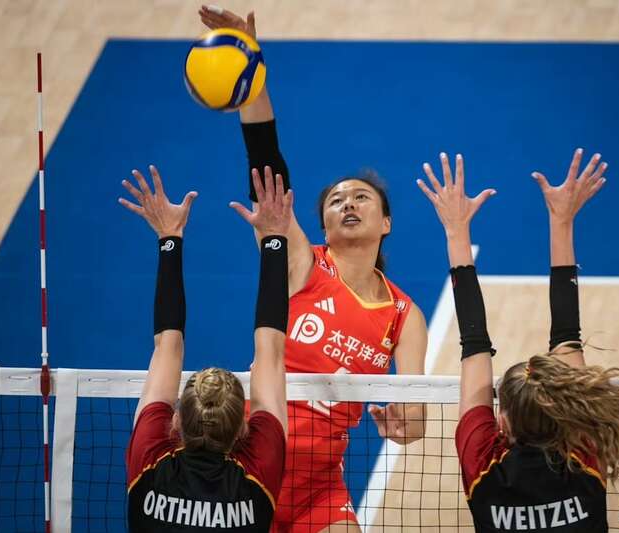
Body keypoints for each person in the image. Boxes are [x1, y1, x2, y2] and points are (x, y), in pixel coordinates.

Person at [198, 6, 428, 533]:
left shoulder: (403, 315)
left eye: (361, 197)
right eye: (336, 200)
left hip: (319, 488)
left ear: (386, 222)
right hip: (249, 467)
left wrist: (405, 423)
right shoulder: (303, 264)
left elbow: (416, 412)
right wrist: (251, 74)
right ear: (322, 224)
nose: (347, 203)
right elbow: (266, 166)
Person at [418, 149, 619, 532]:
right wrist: (562, 220)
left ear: (502, 422)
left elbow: (480, 344)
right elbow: (497, 343)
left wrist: (456, 230)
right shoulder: (581, 454)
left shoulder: (487, 467)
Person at [120, 164, 293, 532]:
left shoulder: (150, 463)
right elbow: (272, 351)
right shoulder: (257, 475)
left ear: (176, 422)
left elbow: (167, 346)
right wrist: (274, 239)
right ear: (243, 427)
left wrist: (169, 235)